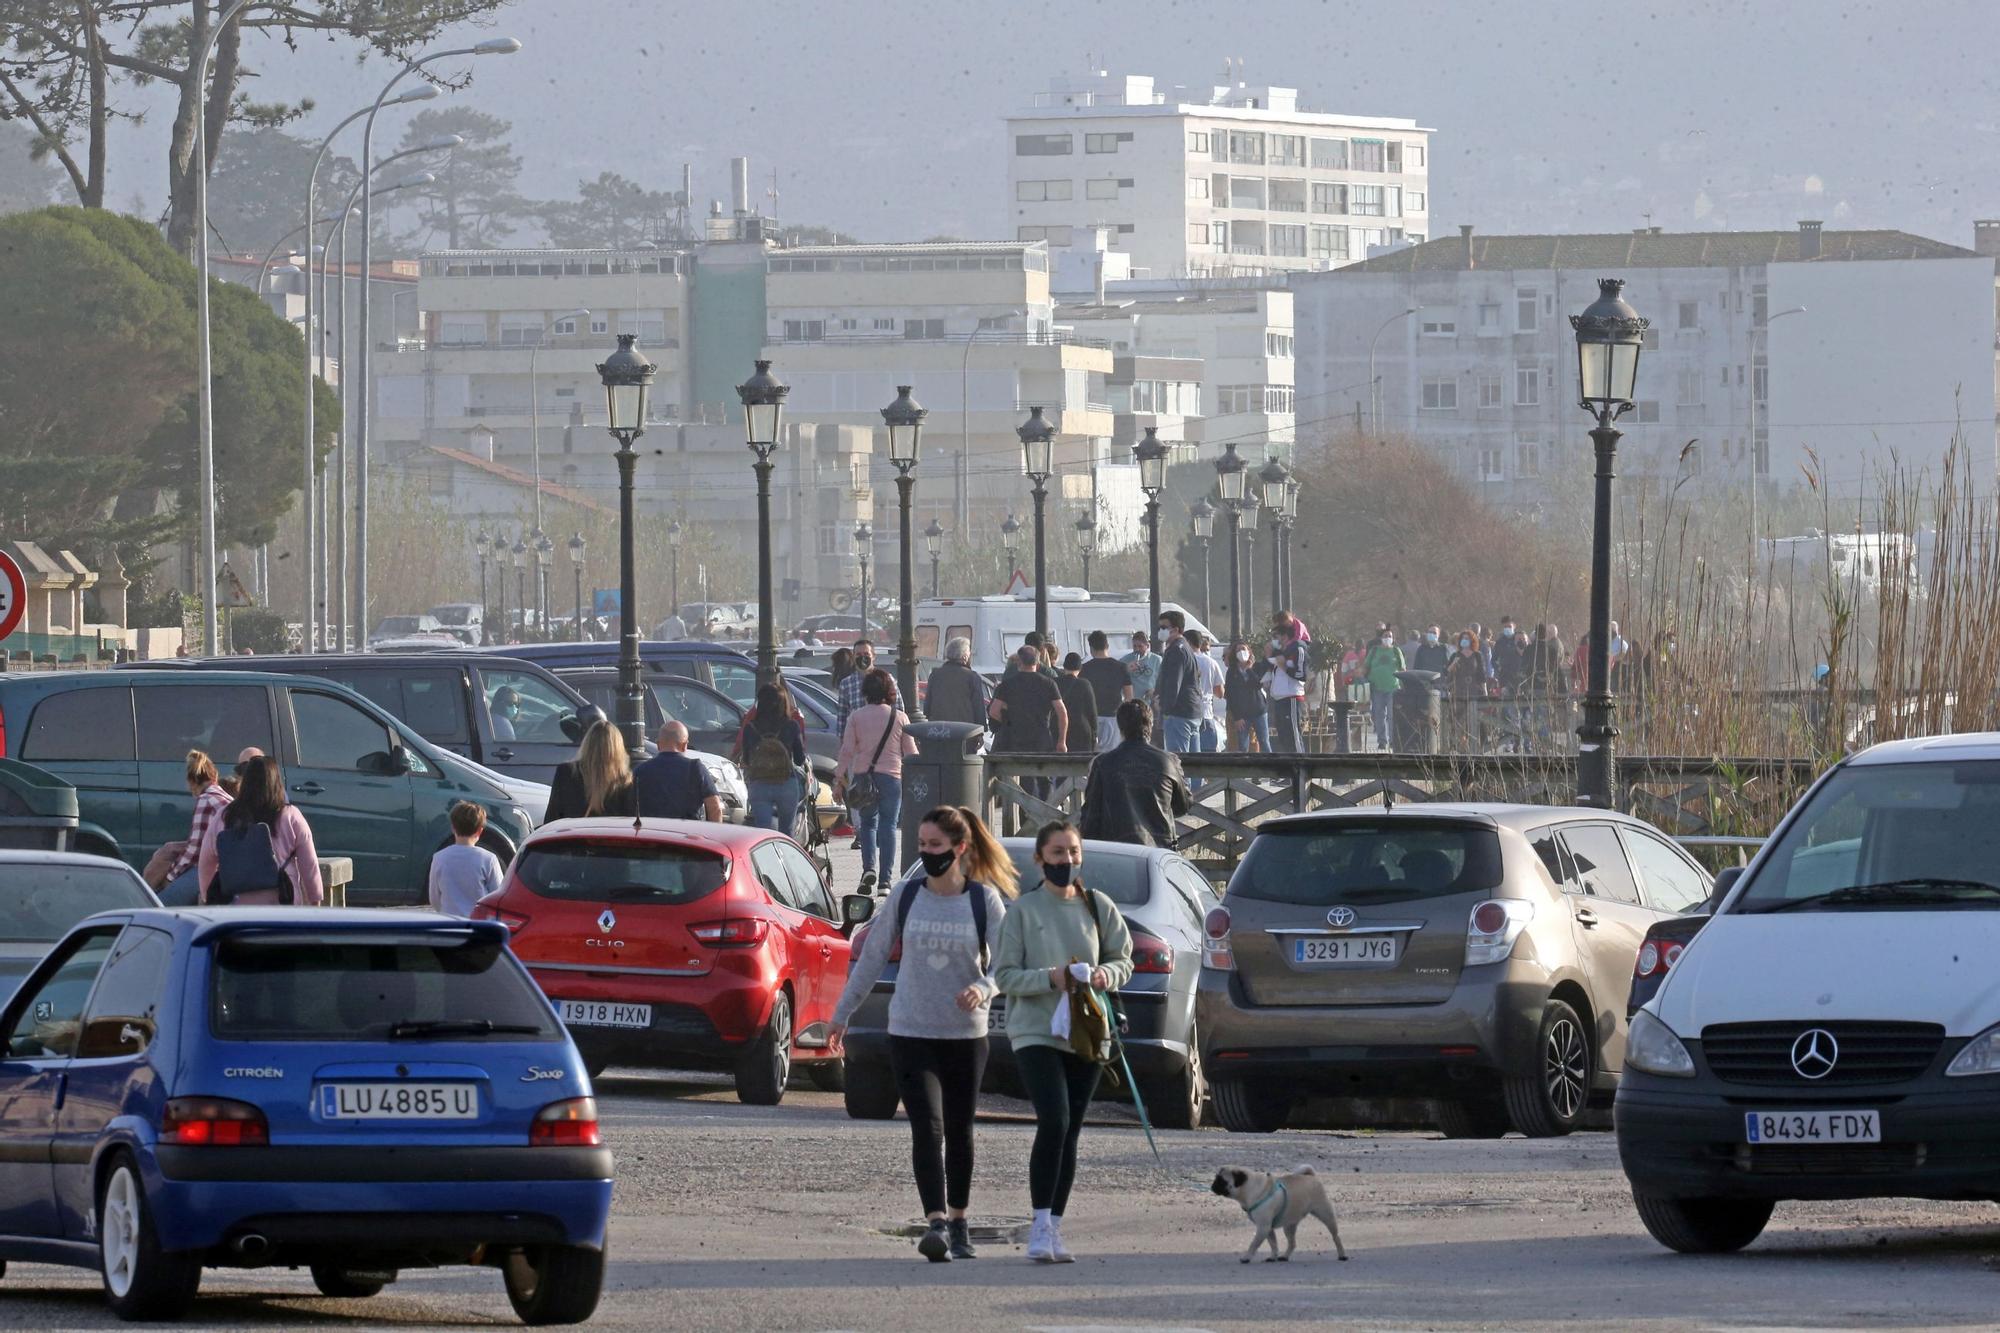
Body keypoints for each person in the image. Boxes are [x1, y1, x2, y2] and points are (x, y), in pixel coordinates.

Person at [829, 806, 1016, 1263]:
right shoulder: (906, 895)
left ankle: (959, 1221)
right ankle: (935, 1223)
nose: (928, 854)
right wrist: (841, 1014)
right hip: (910, 1031)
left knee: (959, 1129)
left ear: (960, 848)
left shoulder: (982, 901)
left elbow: (1007, 965)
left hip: (965, 1038)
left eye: (936, 846)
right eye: (922, 846)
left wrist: (983, 986)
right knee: (927, 1129)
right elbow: (871, 958)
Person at [994, 820, 1135, 1264]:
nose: (1066, 860)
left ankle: (1055, 1226)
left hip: (1088, 1031)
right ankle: (1037, 1224)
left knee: (1071, 1129)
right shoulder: (1023, 910)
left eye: (1073, 852)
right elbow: (1004, 976)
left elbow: (1123, 959)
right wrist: (1050, 978)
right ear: (1040, 859)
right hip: (1035, 1030)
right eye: (1057, 853)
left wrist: (1102, 975)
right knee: (1053, 1119)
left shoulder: (1098, 906)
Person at [198, 756, 324, 906]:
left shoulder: (225, 816)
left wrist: (207, 894)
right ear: (276, 782)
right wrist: (315, 897)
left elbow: (206, 861)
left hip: (235, 904)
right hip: (281, 902)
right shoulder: (290, 816)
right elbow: (309, 864)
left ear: (245, 782)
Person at [837, 668, 918, 891]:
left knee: (867, 825)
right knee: (889, 825)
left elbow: (847, 750)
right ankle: (885, 881)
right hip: (892, 776)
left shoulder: (856, 716)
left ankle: (868, 869)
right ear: (889, 691)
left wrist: (838, 777)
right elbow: (910, 752)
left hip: (864, 777)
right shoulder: (899, 717)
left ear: (866, 691)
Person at [1079, 700, 1191, 847]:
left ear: (1120, 728)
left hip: (1117, 850)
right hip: (1159, 849)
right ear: (1150, 726)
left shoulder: (1102, 763)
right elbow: (1183, 806)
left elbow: (1090, 818)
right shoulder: (1169, 761)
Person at [152, 750, 230, 906]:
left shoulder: (206, 800)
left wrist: (170, 877)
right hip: (228, 867)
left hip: (211, 870)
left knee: (160, 906)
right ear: (214, 776)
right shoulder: (228, 799)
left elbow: (195, 849)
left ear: (192, 782)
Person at [730, 684, 804, 830]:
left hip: (760, 783)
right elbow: (799, 759)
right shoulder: (792, 726)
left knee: (763, 831)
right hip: (786, 781)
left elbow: (747, 759)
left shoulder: (751, 727)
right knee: (787, 833)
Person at [547, 720, 638, 821]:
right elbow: (631, 823)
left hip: (573, 835)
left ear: (587, 744)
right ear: (618, 749)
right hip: (611, 835)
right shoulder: (625, 781)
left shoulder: (566, 772)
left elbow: (552, 818)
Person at [989, 644, 1067, 756]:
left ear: (1019, 661)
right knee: (1041, 772)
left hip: (1014, 740)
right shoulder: (1049, 684)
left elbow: (994, 711)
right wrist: (1061, 741)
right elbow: (1062, 713)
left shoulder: (1007, 684)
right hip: (1041, 740)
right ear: (1037, 662)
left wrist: (1009, 722)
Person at [638, 720, 725, 822]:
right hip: (687, 834)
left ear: (658, 744)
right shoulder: (695, 768)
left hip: (653, 833)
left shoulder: (641, 770)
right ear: (684, 745)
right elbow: (715, 807)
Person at [428, 801, 505, 916]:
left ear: (453, 828)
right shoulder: (488, 859)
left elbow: (434, 898)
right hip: (478, 925)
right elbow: (498, 897)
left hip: (449, 924)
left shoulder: (439, 858)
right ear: (480, 830)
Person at [1152, 611, 1204, 755]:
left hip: (1178, 713)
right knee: (1195, 766)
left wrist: (1164, 707)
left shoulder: (1175, 650)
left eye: (1163, 627)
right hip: (1192, 711)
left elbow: (1173, 684)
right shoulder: (1186, 647)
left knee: (1179, 764)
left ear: (1175, 629)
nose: (1160, 631)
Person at [1077, 630, 1131, 752]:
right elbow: (1129, 696)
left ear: (1091, 648)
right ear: (1107, 645)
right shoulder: (1121, 667)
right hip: (1114, 718)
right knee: (1113, 755)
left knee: (1093, 756)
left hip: (1091, 718)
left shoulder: (1084, 669)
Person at [1267, 612, 1311, 754]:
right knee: (1284, 737)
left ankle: (1301, 770)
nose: (1275, 641)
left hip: (1292, 698)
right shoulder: (1280, 653)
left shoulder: (1298, 648)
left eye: (1276, 637)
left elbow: (1301, 674)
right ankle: (1289, 771)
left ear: (1285, 636)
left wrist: (1284, 666)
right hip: (1279, 699)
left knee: (1293, 736)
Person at [1524, 622, 1571, 753]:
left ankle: (1528, 744)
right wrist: (1563, 690)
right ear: (1545, 634)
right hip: (1546, 688)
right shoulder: (1551, 650)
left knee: (1529, 717)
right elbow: (1557, 671)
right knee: (1543, 717)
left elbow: (1522, 669)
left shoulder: (1529, 649)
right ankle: (1544, 746)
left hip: (1530, 688)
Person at [924, 637, 991, 727]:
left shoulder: (935, 674)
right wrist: (981, 730)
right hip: (964, 730)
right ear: (964, 656)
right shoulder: (972, 677)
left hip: (938, 729)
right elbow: (978, 707)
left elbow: (927, 704)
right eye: (969, 653)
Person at [1442, 629, 1489, 752]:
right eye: (1463, 638)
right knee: (1457, 720)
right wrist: (1453, 665)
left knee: (1477, 720)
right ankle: (1457, 746)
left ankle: (1479, 746)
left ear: (1472, 640)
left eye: (1467, 638)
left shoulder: (1477, 655)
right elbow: (1447, 673)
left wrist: (1485, 691)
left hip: (1474, 690)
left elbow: (1482, 675)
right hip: (1458, 691)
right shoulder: (1455, 655)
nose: (1465, 641)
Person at [1224, 638, 1272, 753]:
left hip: (1259, 711)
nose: (1241, 652)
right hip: (1242, 715)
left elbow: (1258, 685)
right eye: (1238, 650)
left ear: (1249, 651)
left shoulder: (1257, 667)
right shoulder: (1232, 672)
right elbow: (1230, 695)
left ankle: (1271, 765)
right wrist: (1237, 717)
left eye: (1244, 649)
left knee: (1264, 741)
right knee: (1243, 745)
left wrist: (1249, 669)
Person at [1363, 627, 1405, 751]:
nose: (1387, 638)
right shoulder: (1374, 651)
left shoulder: (1396, 651)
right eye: (1385, 636)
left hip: (1393, 688)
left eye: (1390, 636)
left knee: (1392, 716)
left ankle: (1393, 740)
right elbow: (1366, 666)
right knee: (1379, 715)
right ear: (1381, 638)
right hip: (1377, 688)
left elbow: (1403, 669)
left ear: (1393, 639)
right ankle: (1382, 741)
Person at [1189, 631, 1227, 753]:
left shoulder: (1184, 660)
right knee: (1208, 754)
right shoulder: (1211, 662)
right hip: (1206, 713)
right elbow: (1220, 693)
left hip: (1187, 714)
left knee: (1187, 755)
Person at [1055, 653, 1099, 756]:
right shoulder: (1084, 684)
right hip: (1081, 731)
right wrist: (1095, 733)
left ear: (1064, 666)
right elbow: (1092, 711)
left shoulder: (1054, 683)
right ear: (1080, 668)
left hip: (1059, 730)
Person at [835, 639, 876, 736]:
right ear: (853, 657)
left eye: (866, 654)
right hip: (858, 741)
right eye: (858, 655)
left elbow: (898, 710)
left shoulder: (887, 680)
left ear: (873, 656)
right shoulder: (846, 684)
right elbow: (842, 716)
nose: (862, 657)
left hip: (883, 741)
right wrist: (843, 743)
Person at [1120, 631, 1161, 709]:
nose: (1137, 649)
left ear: (1147, 646)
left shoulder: (1156, 660)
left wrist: (1155, 690)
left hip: (1150, 703)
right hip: (1132, 703)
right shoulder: (1125, 660)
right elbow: (1116, 678)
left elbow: (1163, 680)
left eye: (1140, 646)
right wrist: (1126, 670)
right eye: (1134, 646)